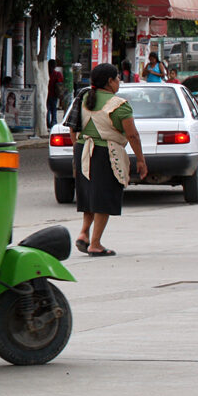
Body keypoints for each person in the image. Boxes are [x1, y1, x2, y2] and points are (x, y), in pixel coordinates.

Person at [62, 63, 147, 257]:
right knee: (104, 197)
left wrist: (77, 146)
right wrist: (141, 160)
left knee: (89, 194)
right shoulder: (119, 105)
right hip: (106, 154)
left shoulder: (83, 98)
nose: (119, 82)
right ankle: (95, 243)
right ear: (109, 82)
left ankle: (84, 233)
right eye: (117, 78)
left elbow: (72, 127)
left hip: (83, 150)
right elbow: (132, 136)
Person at [47, 59, 64, 127]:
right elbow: (61, 84)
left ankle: (48, 123)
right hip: (54, 94)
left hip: (47, 94)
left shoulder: (46, 74)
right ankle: (53, 122)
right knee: (54, 109)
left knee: (47, 109)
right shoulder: (57, 74)